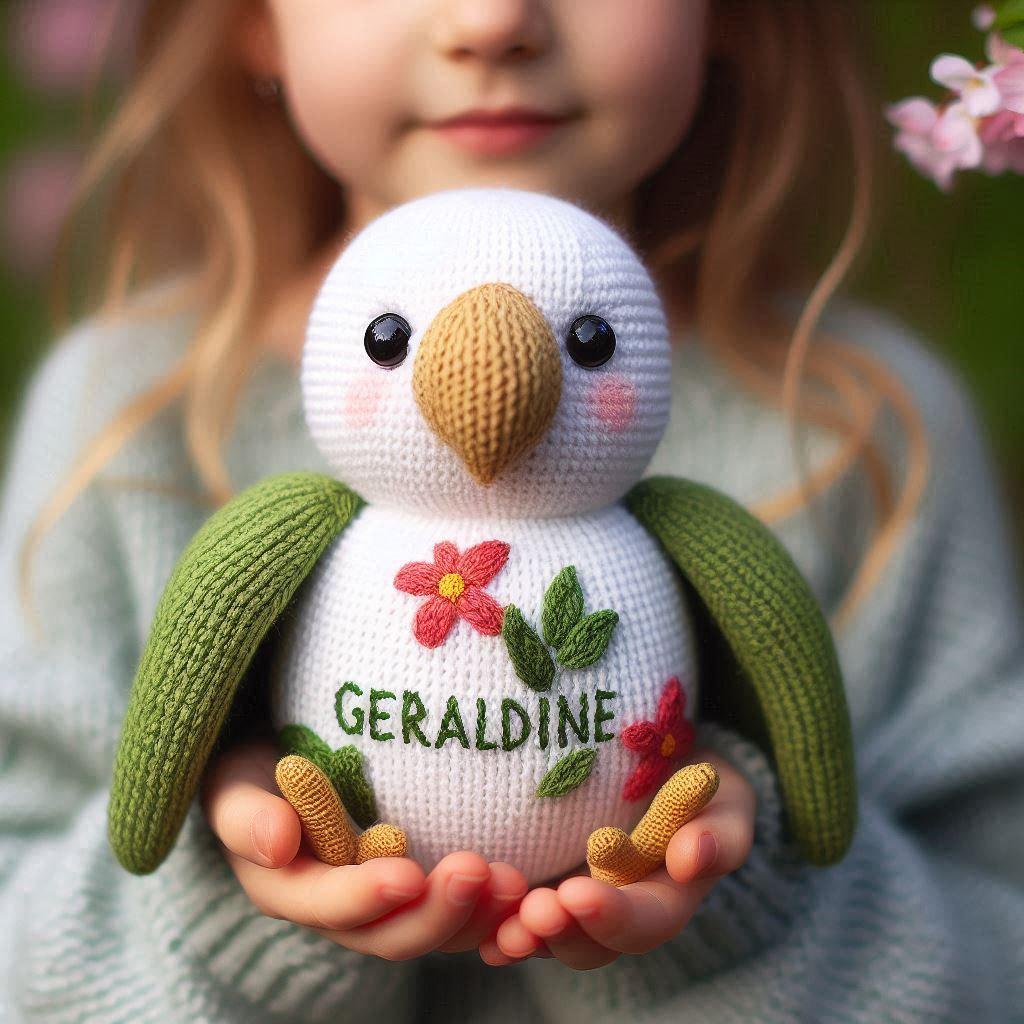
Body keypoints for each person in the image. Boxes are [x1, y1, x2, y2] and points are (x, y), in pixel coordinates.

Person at [2, 1, 1022, 1020]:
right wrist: (219, 894)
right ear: (250, 21)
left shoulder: (869, 430)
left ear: (738, 16)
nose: (492, 23)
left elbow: (997, 945)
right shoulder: (121, 417)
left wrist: (745, 901)